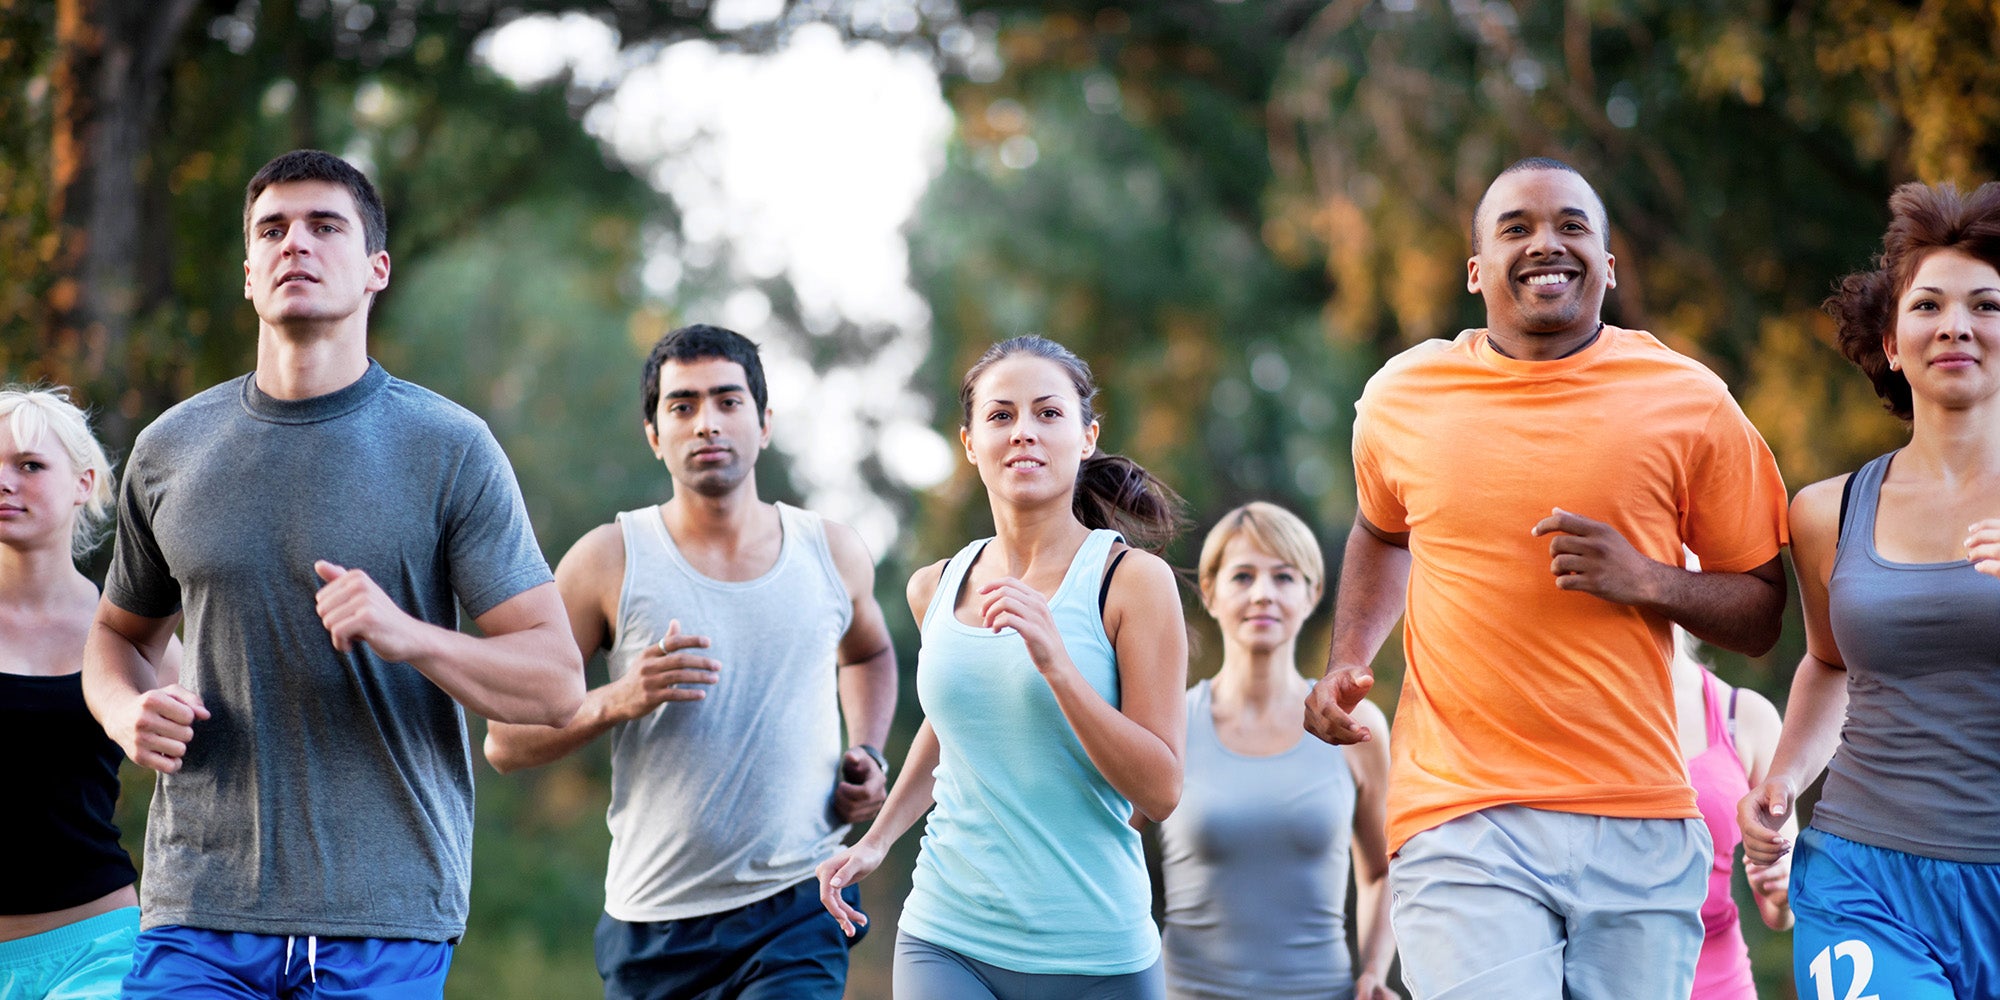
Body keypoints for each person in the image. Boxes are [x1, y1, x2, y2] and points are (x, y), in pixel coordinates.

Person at [82, 149, 584, 998]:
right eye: (272, 230)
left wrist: (408, 634)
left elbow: (557, 684)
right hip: (199, 906)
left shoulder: (449, 447)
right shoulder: (172, 449)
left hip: (381, 916)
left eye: (325, 226)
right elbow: (115, 638)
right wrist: (126, 709)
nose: (295, 246)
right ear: (248, 273)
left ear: (375, 267)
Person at [1304, 156, 1790, 999]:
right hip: (1460, 814)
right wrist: (1350, 654)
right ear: (1474, 270)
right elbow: (1384, 532)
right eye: (1516, 227)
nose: (1545, 244)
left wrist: (1648, 579)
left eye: (1572, 225)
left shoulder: (1690, 399)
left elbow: (1762, 612)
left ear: (1608, 264)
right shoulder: (1401, 398)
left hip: (1639, 812)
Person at [483, 323, 899, 1000]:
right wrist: (620, 698)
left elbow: (871, 652)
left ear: (764, 423)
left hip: (798, 903)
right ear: (654, 434)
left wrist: (871, 753)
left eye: (728, 402)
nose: (707, 423)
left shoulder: (831, 550)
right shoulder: (606, 561)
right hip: (655, 923)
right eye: (682, 406)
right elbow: (505, 741)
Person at [814, 335, 1188, 999]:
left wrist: (1058, 667)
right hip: (948, 937)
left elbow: (1159, 789)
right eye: (1000, 415)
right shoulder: (935, 585)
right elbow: (952, 728)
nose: (1024, 433)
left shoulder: (1130, 583)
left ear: (1087, 436)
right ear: (968, 443)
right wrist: (877, 841)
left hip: (1096, 953)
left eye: (1048, 414)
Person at [1741, 181, 2000, 1000]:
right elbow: (1829, 663)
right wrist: (1783, 777)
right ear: (1891, 342)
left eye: (1986, 305)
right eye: (1929, 306)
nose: (1956, 324)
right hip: (1866, 881)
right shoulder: (1827, 511)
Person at [1155, 502, 1398, 1000]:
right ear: (1210, 591)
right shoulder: (1169, 724)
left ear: (1312, 595)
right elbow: (1105, 847)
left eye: (1284, 578)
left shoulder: (1356, 726)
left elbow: (1382, 872)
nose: (1263, 594)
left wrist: (1374, 970)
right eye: (1242, 576)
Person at [0, 388, 177, 999]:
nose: (4, 483)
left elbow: (230, 771)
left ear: (84, 482)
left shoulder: (124, 633)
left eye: (28, 465)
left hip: (94, 949)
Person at [1670, 624, 1792, 1000]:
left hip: (1719, 979)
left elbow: (1783, 913)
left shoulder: (1744, 716)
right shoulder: (1580, 716)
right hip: (1606, 971)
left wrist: (1780, 891)